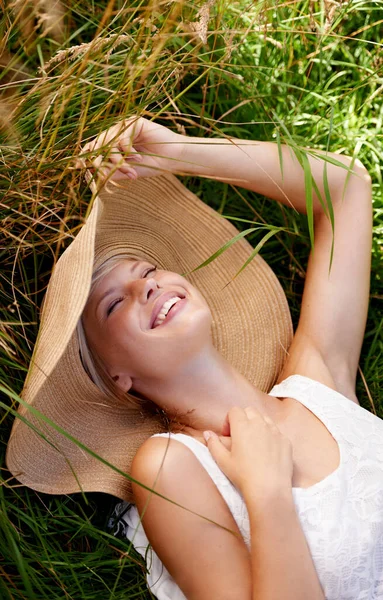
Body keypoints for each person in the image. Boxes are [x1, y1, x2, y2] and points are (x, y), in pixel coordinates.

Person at [6, 116, 379, 600]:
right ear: (117, 377)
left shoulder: (317, 381)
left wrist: (179, 153)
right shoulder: (169, 467)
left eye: (150, 269)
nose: (148, 285)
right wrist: (266, 493)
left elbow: (346, 187)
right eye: (114, 303)